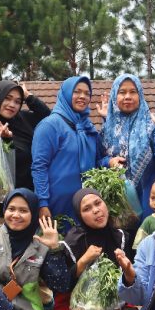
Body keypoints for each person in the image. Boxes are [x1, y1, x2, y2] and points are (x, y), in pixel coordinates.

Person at [60, 188, 138, 310]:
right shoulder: (72, 241)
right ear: (79, 216)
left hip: (113, 304)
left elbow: (129, 282)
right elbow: (63, 285)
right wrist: (83, 261)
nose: (96, 210)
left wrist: (127, 271)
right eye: (86, 209)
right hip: (80, 307)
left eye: (98, 203)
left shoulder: (120, 236)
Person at [30, 76, 106, 228]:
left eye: (87, 93)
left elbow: (98, 160)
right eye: (77, 92)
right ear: (66, 94)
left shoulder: (87, 127)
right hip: (57, 205)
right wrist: (42, 203)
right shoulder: (50, 126)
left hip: (86, 206)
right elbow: (39, 167)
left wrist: (109, 161)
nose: (82, 96)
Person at [97, 73, 155, 226]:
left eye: (133, 92)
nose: (127, 96)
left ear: (140, 95)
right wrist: (109, 162)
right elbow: (98, 159)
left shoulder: (151, 123)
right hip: (119, 201)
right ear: (114, 96)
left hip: (148, 197)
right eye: (122, 92)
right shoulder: (107, 129)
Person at [0, 80, 50, 211]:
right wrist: (3, 142)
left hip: (27, 201)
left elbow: (49, 117)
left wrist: (28, 97)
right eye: (7, 99)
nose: (12, 105)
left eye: (17, 101)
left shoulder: (23, 120)